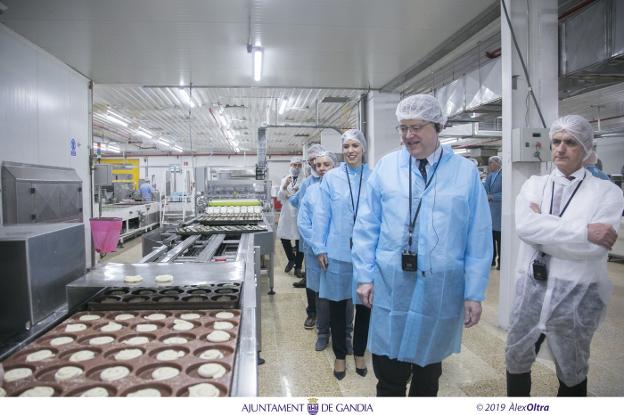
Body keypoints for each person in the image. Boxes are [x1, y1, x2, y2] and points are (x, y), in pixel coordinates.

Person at [352, 94, 492, 396]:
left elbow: (478, 237)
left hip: (440, 289)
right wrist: (364, 276)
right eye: (403, 128)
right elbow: (366, 227)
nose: (408, 136)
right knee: (389, 374)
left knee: (428, 375)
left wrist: (474, 293)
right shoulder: (387, 168)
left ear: (437, 126)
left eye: (416, 127)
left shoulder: (464, 173)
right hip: (392, 284)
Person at [505, 115, 624, 397]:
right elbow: (524, 226)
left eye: (570, 143)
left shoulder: (607, 192)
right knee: (517, 358)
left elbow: (593, 248)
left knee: (572, 369)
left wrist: (544, 229)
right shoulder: (535, 184)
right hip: (530, 289)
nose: (560, 148)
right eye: (556, 141)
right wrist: (584, 231)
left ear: (585, 148)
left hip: (577, 294)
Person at [312, 129, 372, 380]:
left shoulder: (375, 177)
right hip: (336, 252)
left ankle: (359, 352)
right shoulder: (332, 178)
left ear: (363, 148)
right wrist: (319, 247)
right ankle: (339, 356)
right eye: (346, 146)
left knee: (365, 308)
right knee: (337, 306)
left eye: (355, 145)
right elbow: (321, 214)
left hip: (367, 254)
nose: (350, 150)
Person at [297, 151, 337, 350]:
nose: (321, 168)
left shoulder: (342, 189)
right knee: (320, 294)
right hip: (315, 251)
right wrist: (319, 246)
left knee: (341, 295)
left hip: (339, 251)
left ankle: (343, 335)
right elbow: (304, 223)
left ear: (334, 166)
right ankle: (322, 332)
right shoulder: (310, 189)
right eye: (318, 165)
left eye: (326, 164)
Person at [290, 144, 327, 288]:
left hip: (330, 239)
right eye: (311, 160)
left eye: (317, 159)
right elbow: (297, 202)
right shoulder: (307, 183)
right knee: (313, 276)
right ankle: (313, 308)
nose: (315, 163)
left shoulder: (335, 181)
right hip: (311, 234)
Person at [277, 157, 304, 277]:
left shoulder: (305, 180)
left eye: (299, 165)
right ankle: (291, 259)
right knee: (284, 238)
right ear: (290, 166)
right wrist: (284, 187)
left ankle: (298, 267)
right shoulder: (285, 179)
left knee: (300, 242)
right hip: (287, 213)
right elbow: (280, 198)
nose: (296, 167)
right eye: (294, 165)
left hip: (300, 213)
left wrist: (298, 191)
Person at [484, 156, 503, 269]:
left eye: (492, 163)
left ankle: (501, 262)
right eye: (489, 163)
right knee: (490, 239)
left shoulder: (503, 176)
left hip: (499, 212)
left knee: (500, 240)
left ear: (498, 163)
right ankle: (491, 260)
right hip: (490, 213)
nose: (490, 165)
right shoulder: (490, 176)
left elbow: (507, 193)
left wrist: (492, 197)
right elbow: (485, 190)